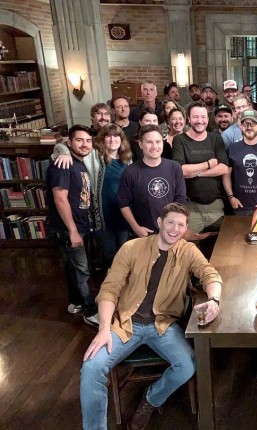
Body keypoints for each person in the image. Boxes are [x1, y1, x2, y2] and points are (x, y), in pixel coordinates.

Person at [80, 202, 223, 430]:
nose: (175, 229)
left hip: (163, 325)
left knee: (187, 366)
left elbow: (210, 274)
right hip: (125, 324)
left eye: (181, 225)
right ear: (159, 222)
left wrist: (214, 299)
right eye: (170, 223)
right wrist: (104, 328)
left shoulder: (188, 251)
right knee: (91, 367)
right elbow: (109, 289)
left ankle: (151, 399)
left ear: (186, 228)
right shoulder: (132, 248)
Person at [52, 123, 133, 270]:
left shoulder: (127, 159)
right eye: (108, 136)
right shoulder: (93, 156)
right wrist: (63, 152)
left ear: (122, 139)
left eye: (116, 136)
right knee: (109, 256)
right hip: (102, 218)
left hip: (123, 216)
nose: (112, 139)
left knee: (125, 255)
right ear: (102, 139)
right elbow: (62, 145)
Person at [46, 124, 99, 326]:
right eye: (79, 140)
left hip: (80, 224)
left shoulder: (78, 162)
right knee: (82, 270)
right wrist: (73, 231)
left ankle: (76, 301)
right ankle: (89, 310)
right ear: (69, 142)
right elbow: (60, 199)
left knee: (73, 266)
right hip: (68, 228)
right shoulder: (63, 165)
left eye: (88, 141)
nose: (84, 144)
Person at [117, 124, 187, 237]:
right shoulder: (130, 171)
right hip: (144, 233)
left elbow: (180, 200)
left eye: (158, 142)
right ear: (140, 144)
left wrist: (175, 227)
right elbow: (123, 203)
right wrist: (136, 228)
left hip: (171, 232)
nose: (154, 146)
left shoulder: (174, 167)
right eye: (149, 142)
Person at [172, 102, 229, 235]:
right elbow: (180, 171)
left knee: (219, 244)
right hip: (191, 207)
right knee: (190, 244)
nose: (199, 121)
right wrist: (208, 164)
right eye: (195, 117)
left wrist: (197, 173)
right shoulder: (179, 140)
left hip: (216, 206)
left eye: (203, 117)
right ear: (189, 119)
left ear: (208, 119)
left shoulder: (216, 138)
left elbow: (224, 168)